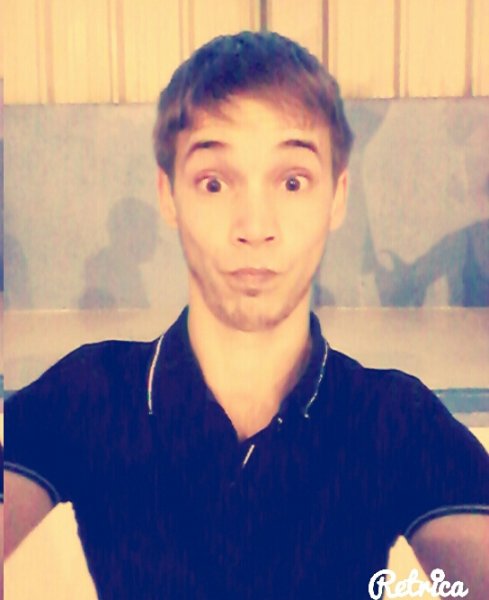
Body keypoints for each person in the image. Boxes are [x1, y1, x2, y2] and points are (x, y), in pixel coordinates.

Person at [2, 31, 489, 600]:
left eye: (292, 181)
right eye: (214, 182)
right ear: (168, 194)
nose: (255, 226)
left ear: (336, 196)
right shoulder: (88, 393)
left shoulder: (397, 419)